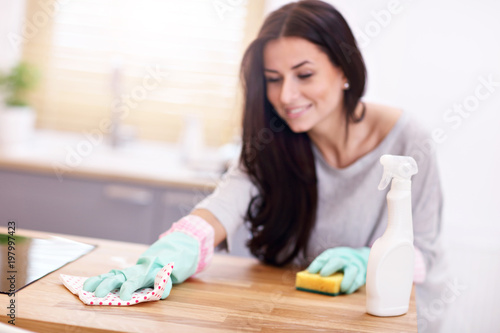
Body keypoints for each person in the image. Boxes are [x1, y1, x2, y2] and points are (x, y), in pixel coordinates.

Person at [83, 1, 447, 331]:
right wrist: (174, 249)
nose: (286, 96)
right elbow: (223, 205)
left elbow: (424, 257)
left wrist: (366, 262)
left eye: (304, 75)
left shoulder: (408, 140)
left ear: (344, 70)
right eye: (273, 80)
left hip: (390, 317)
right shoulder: (271, 138)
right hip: (306, 315)